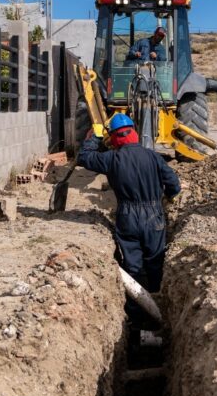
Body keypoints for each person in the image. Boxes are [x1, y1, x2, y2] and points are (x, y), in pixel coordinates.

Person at [78, 113, 181, 305]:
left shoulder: (111, 158)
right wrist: (168, 196)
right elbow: (174, 184)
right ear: (134, 132)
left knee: (133, 265)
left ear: (114, 137)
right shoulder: (153, 157)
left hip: (127, 216)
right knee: (155, 261)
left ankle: (136, 310)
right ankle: (157, 302)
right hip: (154, 215)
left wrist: (94, 137)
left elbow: (84, 157)